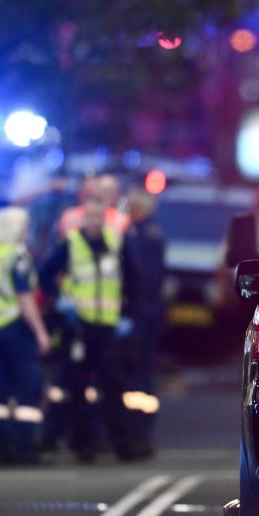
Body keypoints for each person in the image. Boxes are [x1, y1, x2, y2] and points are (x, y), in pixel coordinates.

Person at [38, 195, 149, 462]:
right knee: (78, 388)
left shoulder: (116, 245)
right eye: (90, 217)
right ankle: (82, 445)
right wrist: (60, 300)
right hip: (78, 327)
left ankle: (122, 444)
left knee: (114, 386)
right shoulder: (71, 244)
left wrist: (129, 316)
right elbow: (44, 274)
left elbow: (135, 280)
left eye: (100, 217)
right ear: (82, 218)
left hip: (108, 328)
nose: (95, 222)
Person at [0, 206, 51, 465]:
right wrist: (41, 333)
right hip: (15, 327)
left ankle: (0, 446)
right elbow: (25, 299)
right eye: (24, 226)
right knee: (28, 386)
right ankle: (24, 446)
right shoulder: (18, 256)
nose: (27, 231)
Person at [121, 186, 166, 449]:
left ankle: (138, 432)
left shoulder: (142, 236)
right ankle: (138, 431)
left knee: (138, 376)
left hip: (142, 316)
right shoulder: (151, 233)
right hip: (147, 314)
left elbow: (144, 281)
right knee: (141, 375)